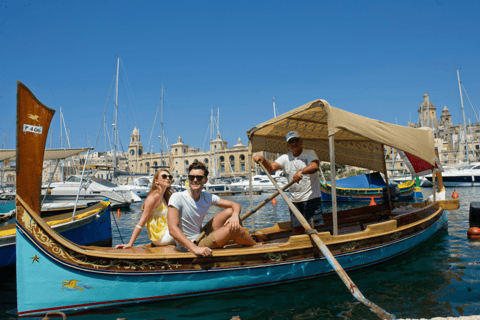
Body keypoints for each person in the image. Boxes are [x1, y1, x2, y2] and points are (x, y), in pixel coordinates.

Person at [168, 162, 257, 257]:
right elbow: (172, 229)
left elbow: (235, 205)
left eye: (199, 178)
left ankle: (238, 238)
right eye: (191, 177)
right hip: (192, 244)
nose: (195, 180)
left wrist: (234, 216)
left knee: (231, 211)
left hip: (201, 234)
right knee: (233, 228)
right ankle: (255, 247)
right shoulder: (177, 197)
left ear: (205, 180)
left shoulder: (207, 197)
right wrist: (195, 249)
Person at [253, 130, 323, 235]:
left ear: (301, 141)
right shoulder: (285, 157)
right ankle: (301, 250)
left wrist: (302, 171)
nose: (294, 143)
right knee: (297, 231)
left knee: (316, 230)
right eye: (291, 142)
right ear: (288, 144)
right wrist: (262, 160)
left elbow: (315, 166)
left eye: (296, 140)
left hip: (311, 199)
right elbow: (271, 168)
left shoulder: (309, 153)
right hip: (294, 202)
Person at [115, 170, 175, 249]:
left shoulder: (163, 197)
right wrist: (130, 243)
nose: (168, 178)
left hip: (165, 234)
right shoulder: (154, 197)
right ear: (156, 181)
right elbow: (142, 222)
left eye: (169, 177)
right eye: (164, 176)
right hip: (161, 237)